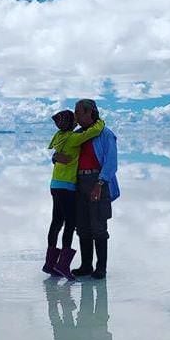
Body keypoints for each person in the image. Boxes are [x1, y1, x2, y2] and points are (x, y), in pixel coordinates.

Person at [58, 99, 118, 279]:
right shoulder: (76, 135)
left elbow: (111, 162)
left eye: (78, 112)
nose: (75, 116)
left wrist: (100, 183)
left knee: (98, 226)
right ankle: (86, 266)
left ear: (89, 112)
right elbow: (64, 152)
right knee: (82, 226)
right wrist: (56, 157)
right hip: (78, 182)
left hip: (97, 181)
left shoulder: (105, 134)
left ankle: (101, 268)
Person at [43, 109, 104, 281]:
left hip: (55, 184)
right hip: (67, 186)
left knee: (56, 222)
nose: (76, 122)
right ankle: (62, 265)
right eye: (73, 120)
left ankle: (50, 263)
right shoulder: (73, 138)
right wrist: (99, 120)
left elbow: (57, 155)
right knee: (70, 223)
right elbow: (94, 131)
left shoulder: (58, 136)